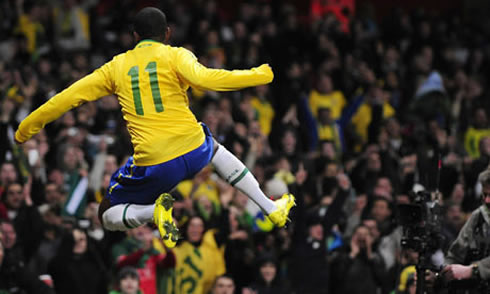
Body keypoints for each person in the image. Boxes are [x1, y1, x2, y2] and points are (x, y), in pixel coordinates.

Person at [14, 7, 295, 248]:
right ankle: (270, 207)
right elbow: (208, 79)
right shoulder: (176, 55)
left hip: (156, 163)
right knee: (214, 147)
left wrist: (27, 128)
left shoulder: (116, 67)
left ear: (134, 36)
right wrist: (258, 74)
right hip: (195, 148)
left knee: (106, 214)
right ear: (168, 33)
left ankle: (152, 212)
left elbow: (69, 97)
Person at [439, 169, 490, 293]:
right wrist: (441, 275)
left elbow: (470, 270)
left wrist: (473, 270)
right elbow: (455, 254)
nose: (487, 200)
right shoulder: (478, 216)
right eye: (485, 195)